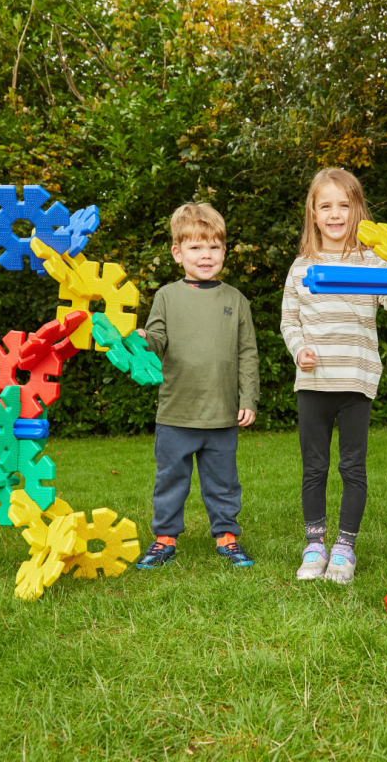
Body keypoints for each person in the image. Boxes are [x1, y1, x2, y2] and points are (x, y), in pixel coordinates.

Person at [280, 168, 387, 584]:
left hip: (357, 381)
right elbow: (289, 321)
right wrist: (299, 350)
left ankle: (344, 548)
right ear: (313, 213)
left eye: (344, 205)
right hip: (314, 383)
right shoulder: (301, 267)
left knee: (352, 467)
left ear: (358, 210)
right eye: (326, 206)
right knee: (314, 468)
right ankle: (314, 545)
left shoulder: (371, 262)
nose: (335, 214)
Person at [135, 202, 260, 569]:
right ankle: (165, 538)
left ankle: (227, 536)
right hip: (176, 411)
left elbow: (248, 353)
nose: (206, 255)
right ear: (178, 253)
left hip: (221, 413)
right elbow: (157, 340)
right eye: (195, 247)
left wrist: (249, 398)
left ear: (224, 251)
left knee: (223, 481)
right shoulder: (166, 296)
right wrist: (144, 340)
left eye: (213, 247)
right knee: (170, 479)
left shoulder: (236, 300)